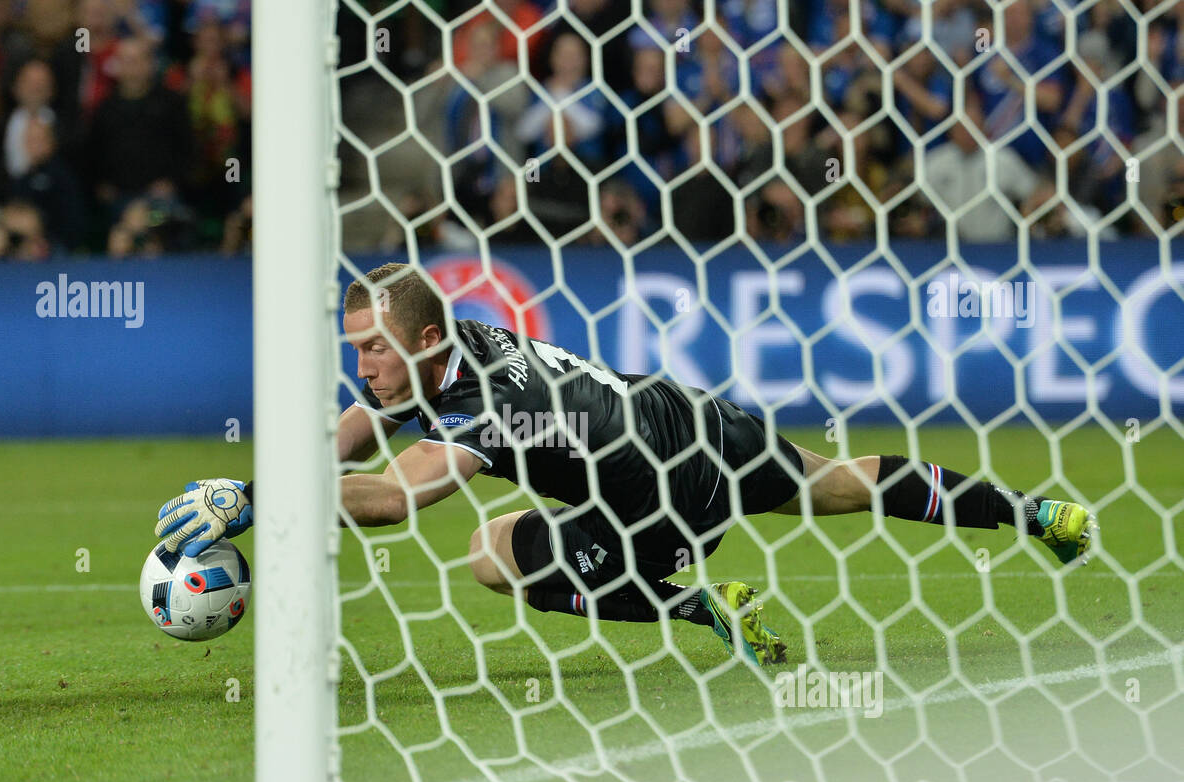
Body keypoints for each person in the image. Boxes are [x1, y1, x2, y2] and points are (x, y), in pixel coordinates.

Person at [153, 263, 1098, 666]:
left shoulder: (483, 399)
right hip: (688, 414)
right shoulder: (451, 347)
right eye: (354, 345)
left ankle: (700, 603)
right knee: (838, 484)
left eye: (375, 347)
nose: (363, 364)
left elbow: (398, 501)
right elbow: (356, 428)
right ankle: (1041, 515)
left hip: (650, 494)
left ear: (428, 340)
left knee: (489, 553)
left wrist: (259, 499)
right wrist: (258, 485)